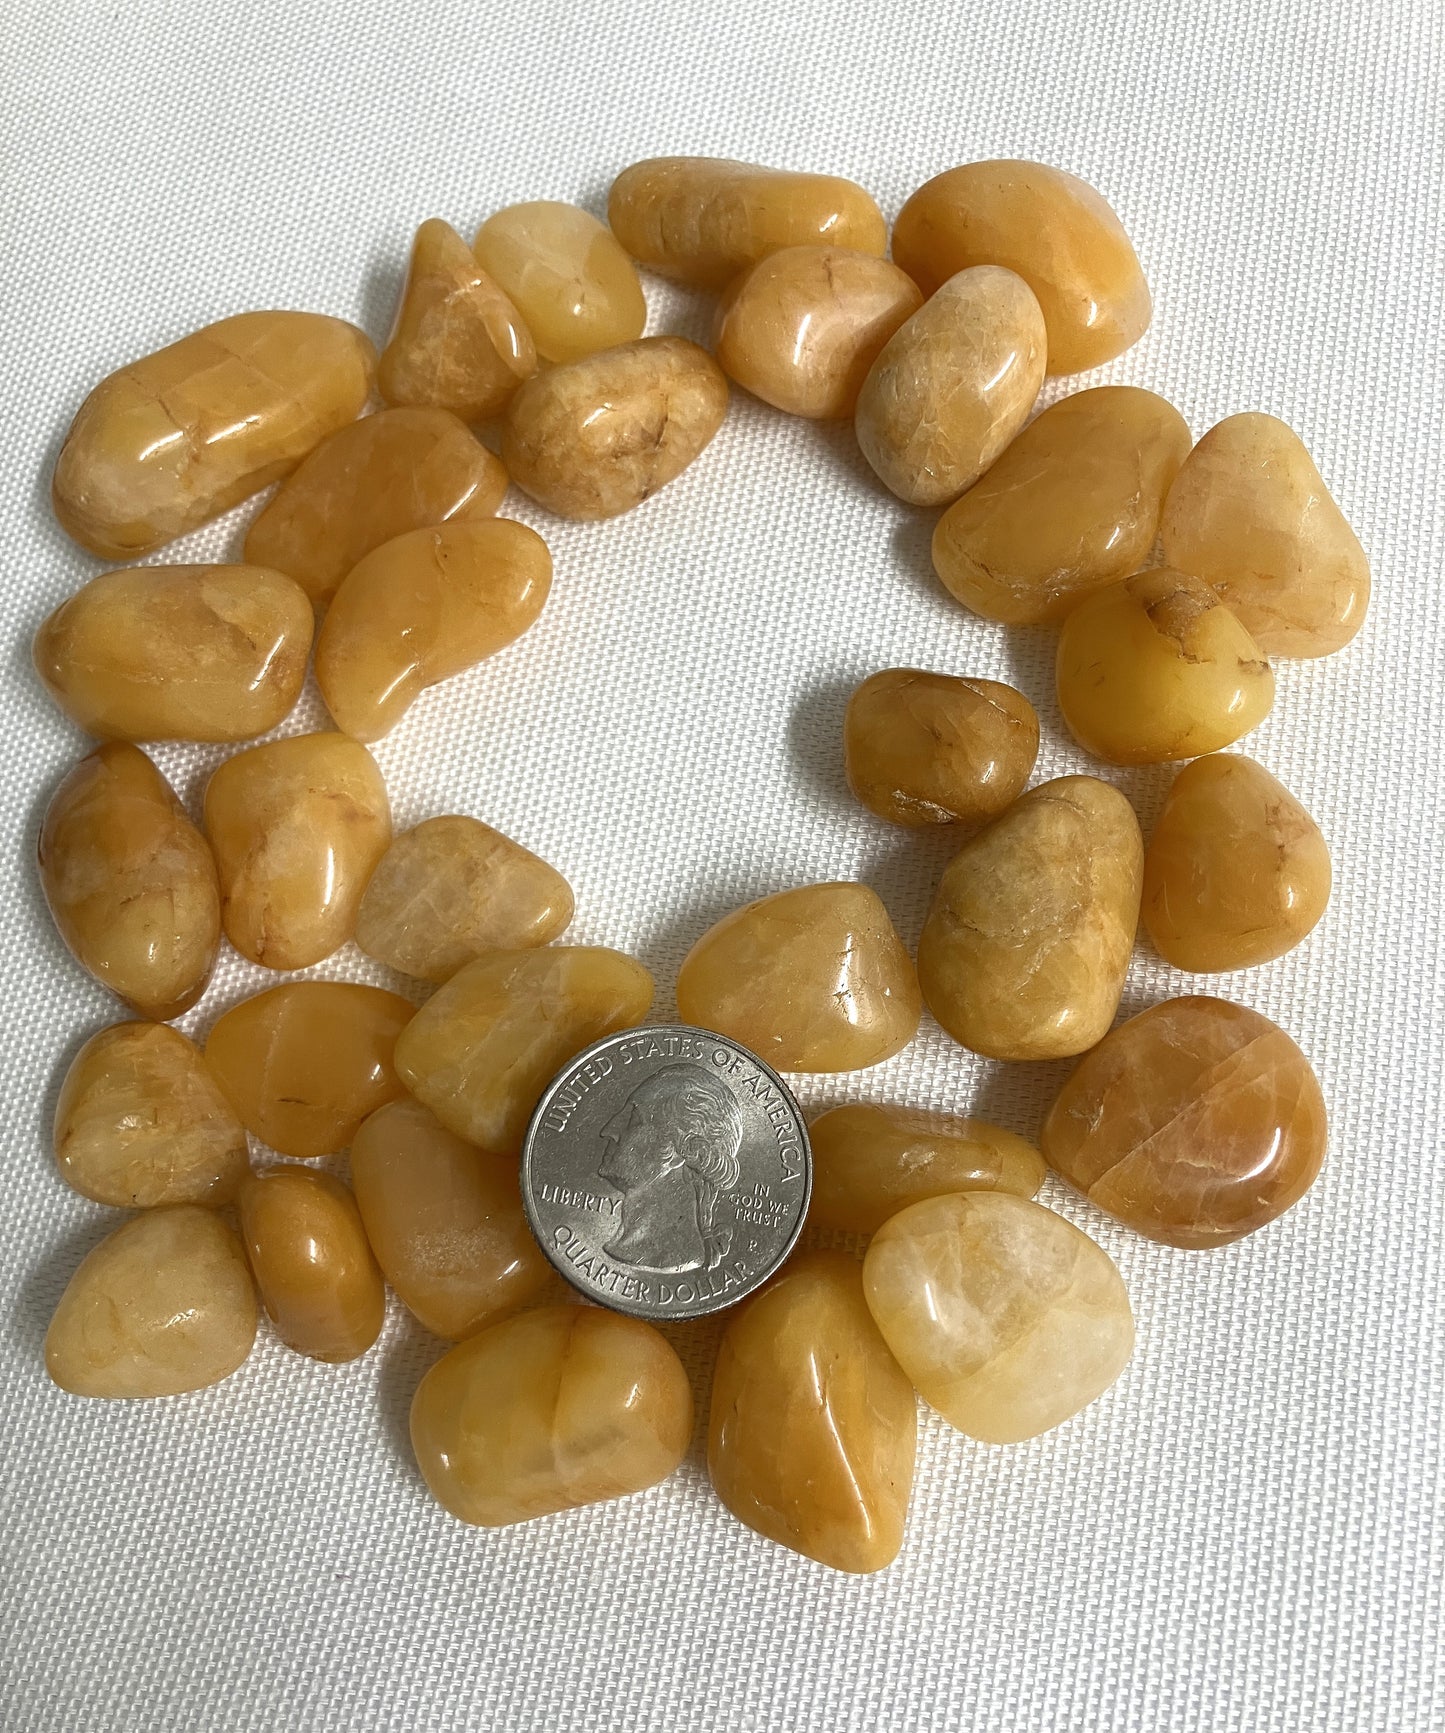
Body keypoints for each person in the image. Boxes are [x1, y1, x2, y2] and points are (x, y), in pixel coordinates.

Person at [596, 1064, 743, 1274]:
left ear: (678, 1151)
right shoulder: (622, 1247)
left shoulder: (677, 1257)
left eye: (634, 1119)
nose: (608, 1131)